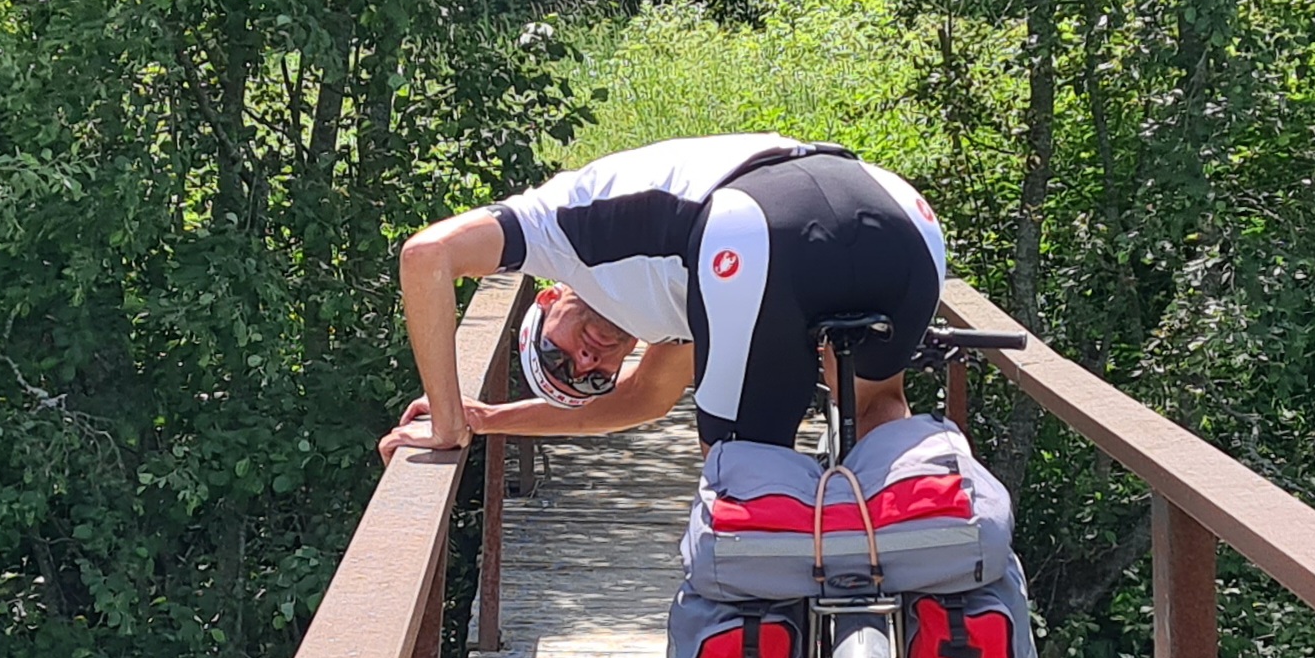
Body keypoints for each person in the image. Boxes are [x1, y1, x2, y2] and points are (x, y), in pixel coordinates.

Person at [378, 134, 948, 466]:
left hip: (752, 225)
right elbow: (645, 397)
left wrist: (447, 423)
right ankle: (921, 555)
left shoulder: (552, 230)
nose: (586, 360)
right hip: (897, 209)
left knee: (742, 475)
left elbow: (427, 255)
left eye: (557, 354)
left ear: (548, 298)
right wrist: (485, 419)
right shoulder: (671, 313)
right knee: (878, 407)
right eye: (592, 378)